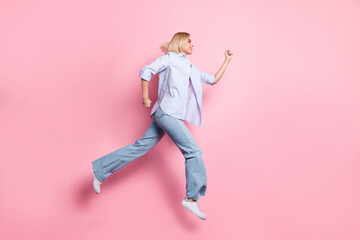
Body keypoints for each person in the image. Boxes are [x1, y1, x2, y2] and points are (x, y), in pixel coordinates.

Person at [91, 32, 233, 220]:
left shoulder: (190, 67)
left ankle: (100, 169)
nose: (193, 44)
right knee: (193, 152)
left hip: (164, 115)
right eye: (189, 41)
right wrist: (144, 96)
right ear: (180, 42)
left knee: (141, 146)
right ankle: (192, 199)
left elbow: (213, 79)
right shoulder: (170, 59)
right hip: (168, 113)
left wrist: (227, 60)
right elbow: (146, 71)